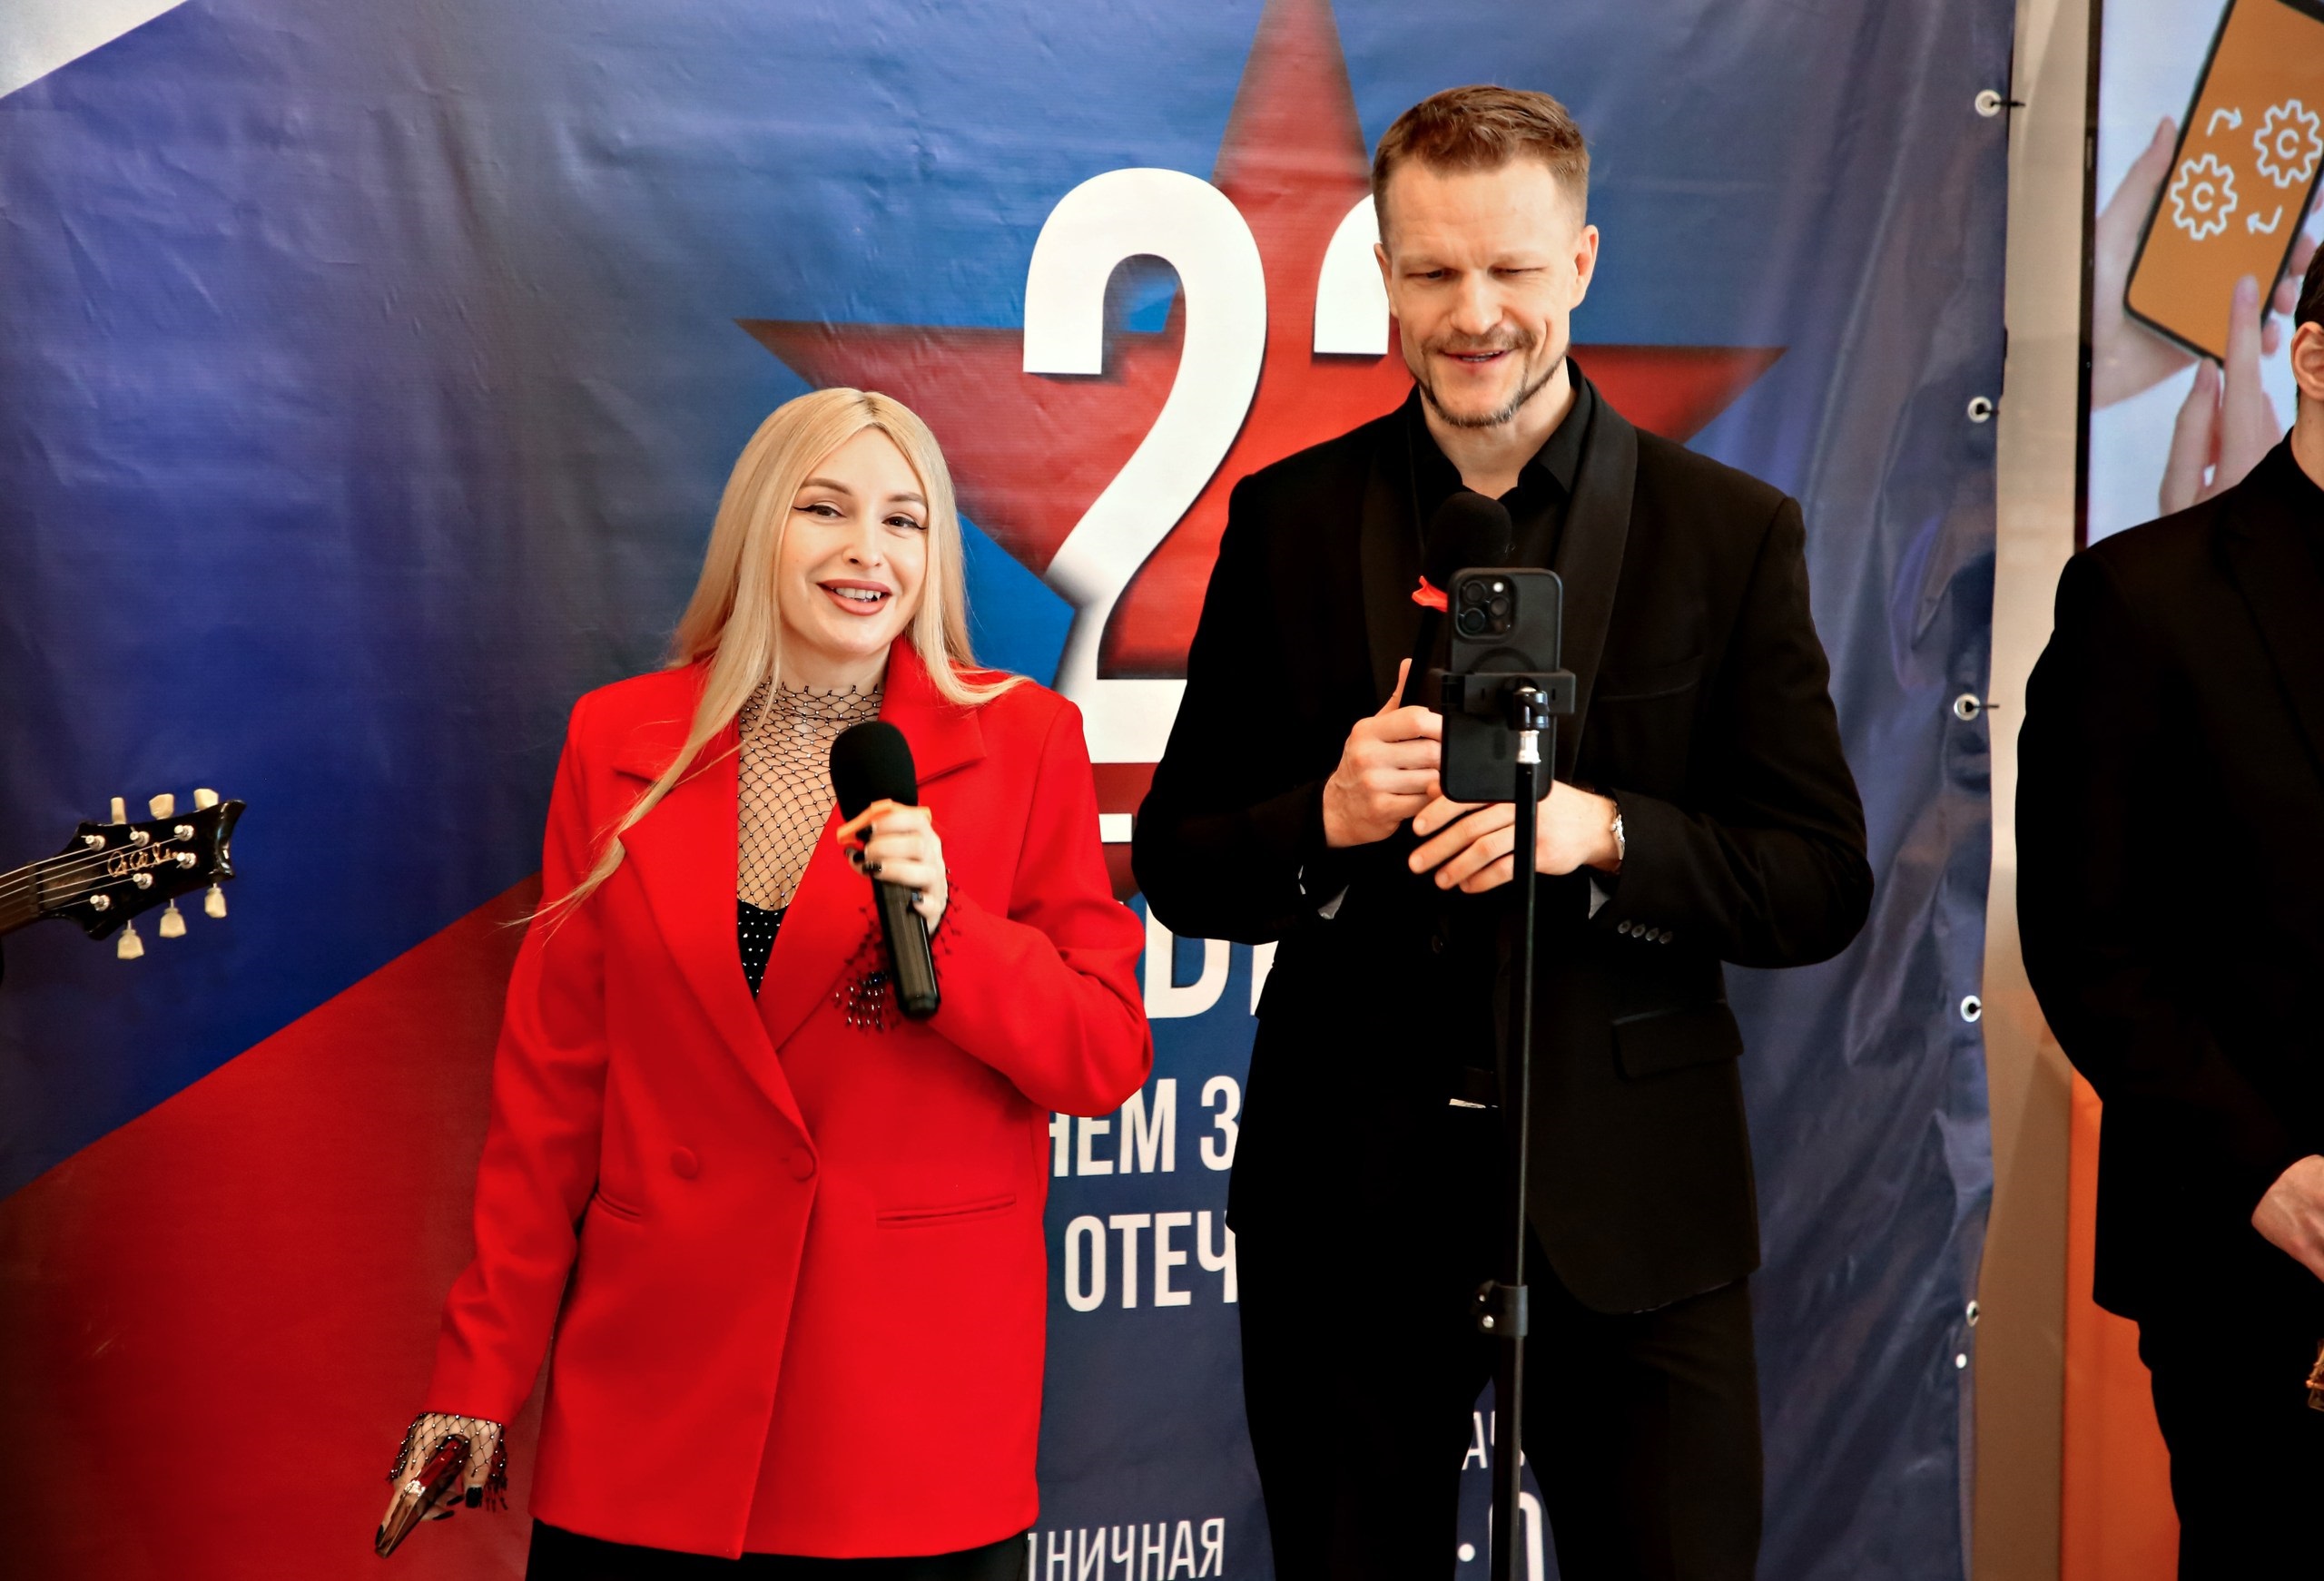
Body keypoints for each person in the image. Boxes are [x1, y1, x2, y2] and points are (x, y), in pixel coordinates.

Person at [1133, 86, 1871, 1581]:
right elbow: (1180, 858)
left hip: (1638, 1215)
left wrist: (1603, 834)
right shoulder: (1285, 521)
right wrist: (1326, 813)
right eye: (1433, 271)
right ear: (1384, 275)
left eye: (1514, 269)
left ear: (1581, 263)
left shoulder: (1729, 533)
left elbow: (1819, 881)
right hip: (1348, 1212)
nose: (1474, 315)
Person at [381, 388, 1151, 1576]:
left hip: (899, 1422)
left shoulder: (1025, 741)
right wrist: (477, 1380)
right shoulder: (617, 739)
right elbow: (550, 1101)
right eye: (824, 508)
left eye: (903, 519)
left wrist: (950, 927)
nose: (867, 550)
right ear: (758, 526)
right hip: (654, 1405)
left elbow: (1101, 1056)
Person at [2019, 247, 2324, 1578]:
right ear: (2312, 360)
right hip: (2252, 1257)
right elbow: (2088, 945)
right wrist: (2273, 1176)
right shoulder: (2140, 598)